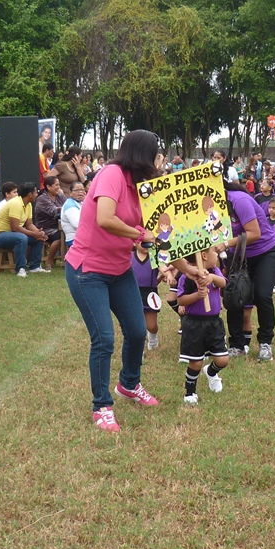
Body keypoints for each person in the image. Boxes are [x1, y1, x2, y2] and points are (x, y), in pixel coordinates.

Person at [65, 129, 204, 433]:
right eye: (156, 154)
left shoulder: (143, 187)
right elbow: (105, 218)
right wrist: (141, 234)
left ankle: (128, 384)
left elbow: (160, 239)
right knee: (104, 339)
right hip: (87, 270)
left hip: (119, 270)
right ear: (144, 154)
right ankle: (102, 406)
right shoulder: (112, 174)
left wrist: (187, 268)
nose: (158, 161)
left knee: (138, 331)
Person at [223, 180, 275, 362]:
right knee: (234, 296)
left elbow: (254, 233)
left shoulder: (239, 200)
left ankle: (265, 343)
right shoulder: (208, 205)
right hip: (238, 255)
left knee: (262, 295)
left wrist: (224, 244)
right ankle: (236, 345)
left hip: (266, 251)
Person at [176, 246, 229, 405]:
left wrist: (212, 277)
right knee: (196, 362)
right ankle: (190, 392)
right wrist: (197, 295)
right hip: (194, 324)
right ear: (204, 255)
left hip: (214, 323)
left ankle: (211, 372)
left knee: (222, 359)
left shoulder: (214, 271)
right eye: (213, 252)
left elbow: (223, 283)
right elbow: (181, 300)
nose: (216, 254)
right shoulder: (187, 277)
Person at [0, 181, 47, 276]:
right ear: (30, 194)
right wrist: (33, 234)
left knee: (38, 238)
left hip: (11, 234)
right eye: (35, 192)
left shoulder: (28, 204)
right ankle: (20, 269)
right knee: (21, 238)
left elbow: (29, 224)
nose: (37, 195)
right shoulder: (16, 203)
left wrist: (39, 233)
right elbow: (15, 227)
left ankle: (34, 266)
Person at [34, 174, 66, 271]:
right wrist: (68, 208)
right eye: (56, 185)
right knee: (60, 236)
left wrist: (63, 197)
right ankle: (49, 261)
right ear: (48, 186)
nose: (59, 187)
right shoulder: (42, 199)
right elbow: (54, 211)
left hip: (61, 226)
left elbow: (67, 204)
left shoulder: (60, 196)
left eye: (59, 185)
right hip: (46, 228)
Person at [60, 180, 85, 251]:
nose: (80, 192)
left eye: (82, 190)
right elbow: (77, 224)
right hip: (75, 239)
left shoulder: (81, 202)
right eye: (77, 190)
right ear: (70, 193)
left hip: (83, 237)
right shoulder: (70, 205)